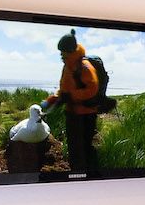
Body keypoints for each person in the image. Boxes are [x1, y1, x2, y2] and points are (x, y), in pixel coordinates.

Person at [43, 32, 103, 173]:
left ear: (70, 51)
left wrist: (72, 96)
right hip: (72, 113)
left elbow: (92, 89)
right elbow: (64, 89)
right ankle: (77, 174)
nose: (60, 56)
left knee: (85, 147)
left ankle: (90, 176)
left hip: (86, 115)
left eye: (62, 52)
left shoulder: (85, 67)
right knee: (74, 147)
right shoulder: (67, 66)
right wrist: (51, 100)